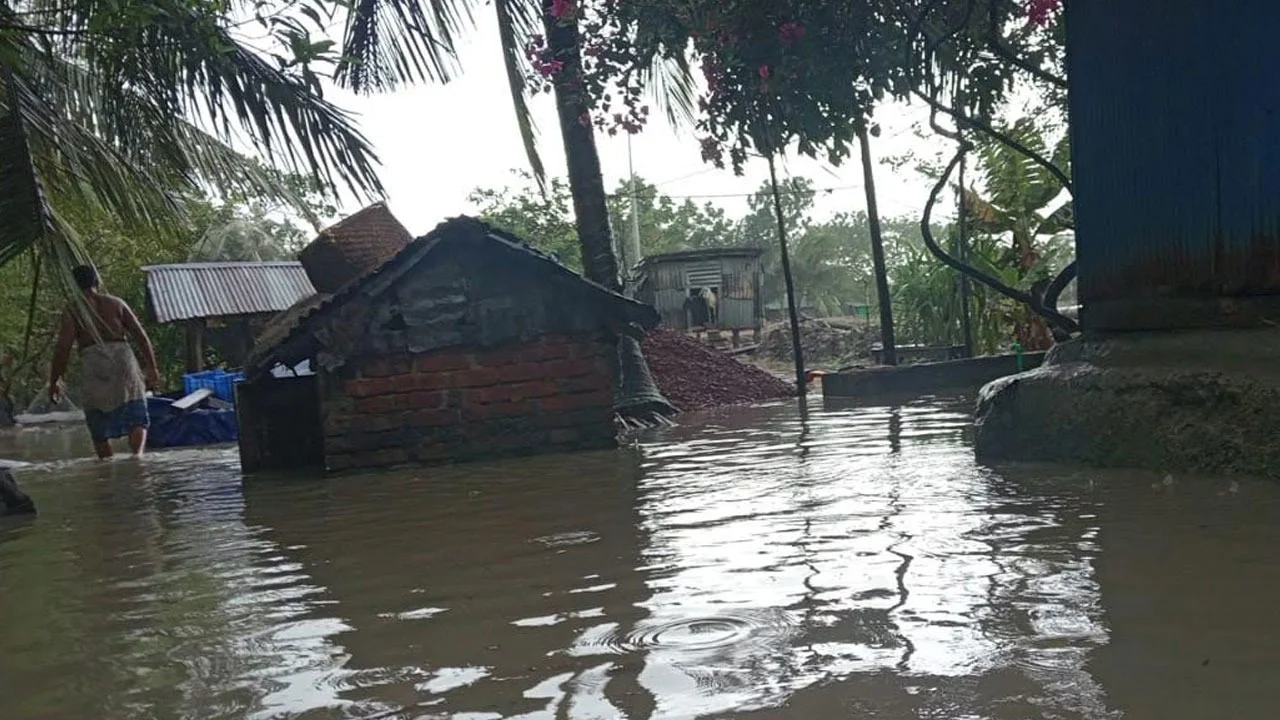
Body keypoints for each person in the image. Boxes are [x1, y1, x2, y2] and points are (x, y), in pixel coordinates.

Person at [49, 265, 159, 459]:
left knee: (96, 414)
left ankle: (107, 462)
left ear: (75, 285)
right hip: (122, 356)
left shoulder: (74, 310)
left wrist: (55, 380)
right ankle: (138, 457)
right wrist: (152, 367)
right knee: (135, 410)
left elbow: (63, 347)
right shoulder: (116, 303)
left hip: (94, 359)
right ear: (97, 282)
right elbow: (141, 336)